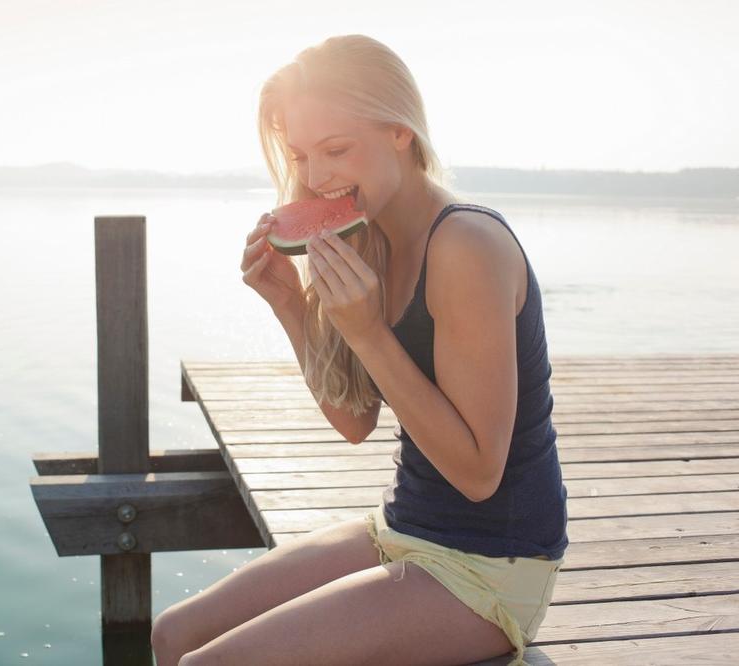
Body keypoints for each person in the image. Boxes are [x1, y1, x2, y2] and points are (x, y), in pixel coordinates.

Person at [151, 34, 568, 666]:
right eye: (301, 155)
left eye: (336, 150)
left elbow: (481, 474)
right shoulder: (368, 232)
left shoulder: (466, 247)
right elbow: (354, 422)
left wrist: (368, 331)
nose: (316, 178)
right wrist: (291, 306)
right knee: (172, 636)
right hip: (402, 528)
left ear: (401, 131)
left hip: (491, 567)